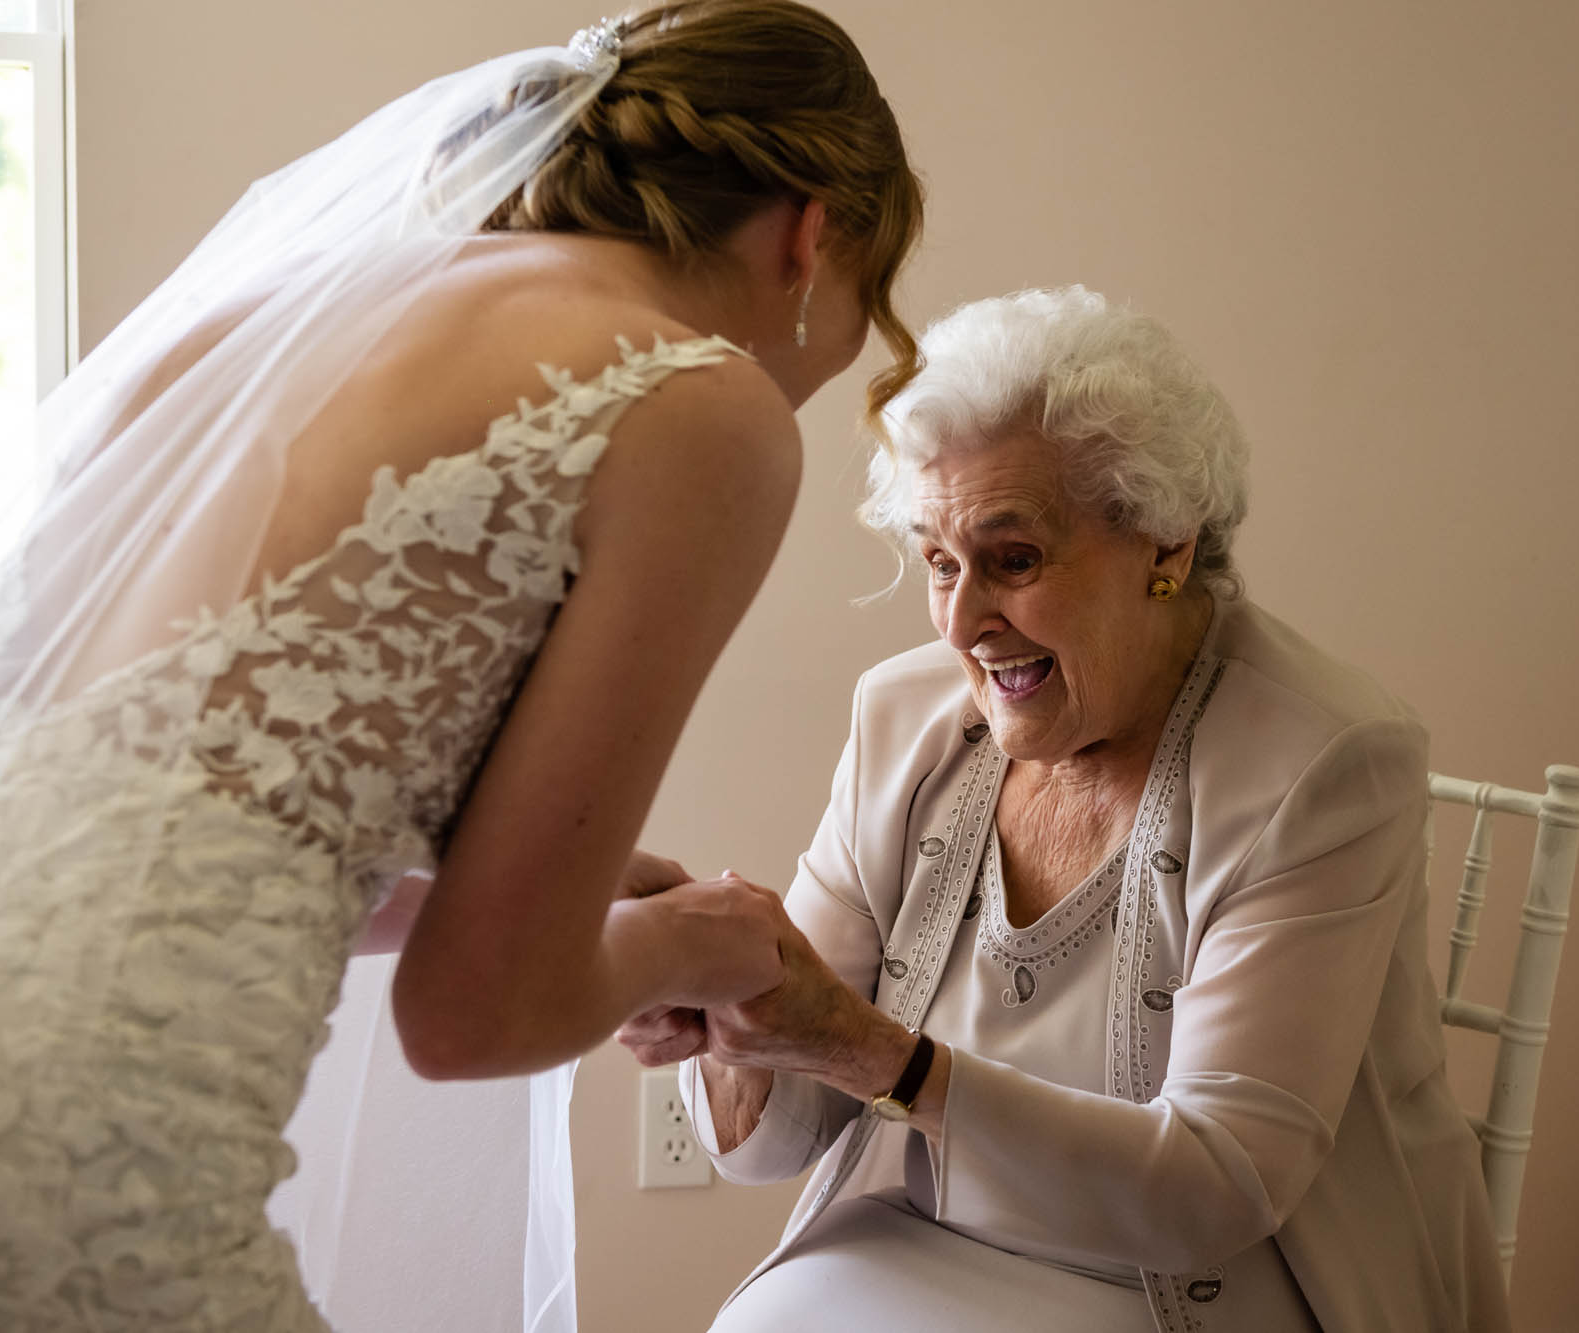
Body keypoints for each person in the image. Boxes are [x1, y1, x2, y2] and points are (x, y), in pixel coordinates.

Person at [0, 3, 921, 1329]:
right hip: (67, 1133)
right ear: (814, 232)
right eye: (875, 299)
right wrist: (696, 947)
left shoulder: (263, 329)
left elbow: (193, 817)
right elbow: (478, 1014)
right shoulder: (699, 404)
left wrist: (547, 891)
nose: (849, 350)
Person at [619, 287, 1513, 1331]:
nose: (961, 622)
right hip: (930, 1251)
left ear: (1165, 545)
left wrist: (873, 1052)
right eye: (938, 563)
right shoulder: (902, 718)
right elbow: (774, 1146)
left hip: (1223, 1283)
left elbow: (1215, 1188)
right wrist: (723, 995)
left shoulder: (1323, 762)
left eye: (1013, 559)